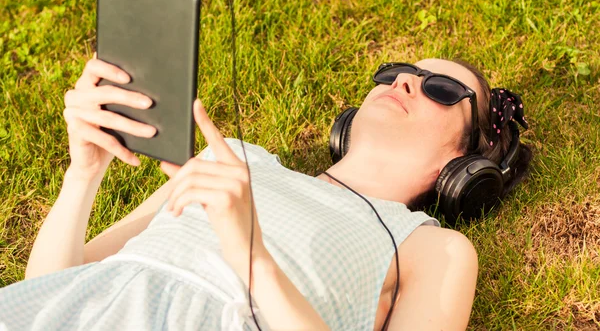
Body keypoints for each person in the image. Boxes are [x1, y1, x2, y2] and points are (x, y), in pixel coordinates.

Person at [0, 56, 532, 330]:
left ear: (465, 162)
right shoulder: (236, 158)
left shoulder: (427, 247)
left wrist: (250, 253)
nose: (405, 83)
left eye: (441, 89)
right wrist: (83, 174)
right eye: (397, 72)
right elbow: (53, 292)